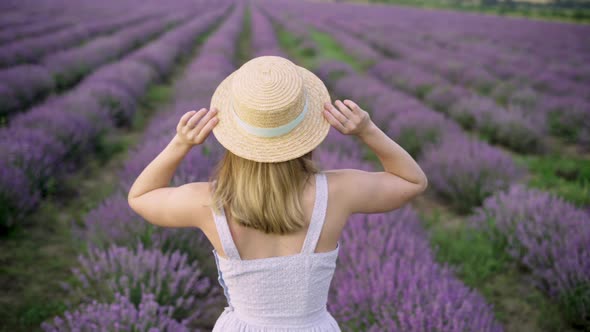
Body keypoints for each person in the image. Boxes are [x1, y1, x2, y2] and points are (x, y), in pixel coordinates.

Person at [127, 55, 428, 331]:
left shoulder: (208, 201)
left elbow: (140, 196)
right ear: (307, 131)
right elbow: (412, 181)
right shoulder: (337, 191)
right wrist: (367, 130)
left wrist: (181, 143)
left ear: (233, 136)